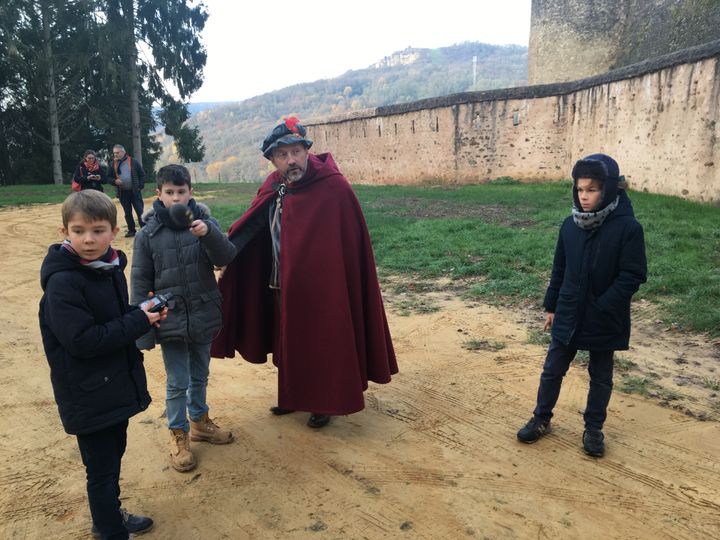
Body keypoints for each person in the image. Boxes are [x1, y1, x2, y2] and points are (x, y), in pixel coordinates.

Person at [211, 117, 398, 429]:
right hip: (281, 282)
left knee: (320, 341)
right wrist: (228, 254)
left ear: (307, 151)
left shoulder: (333, 187)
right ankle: (293, 395)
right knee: (288, 340)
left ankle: (322, 401)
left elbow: (349, 244)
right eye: (282, 155)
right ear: (272, 160)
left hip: (324, 287)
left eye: (296, 151)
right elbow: (253, 224)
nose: (291, 160)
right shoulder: (274, 185)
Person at [39, 190, 167, 539]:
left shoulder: (106, 269)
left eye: (97, 230)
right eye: (78, 231)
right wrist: (138, 322)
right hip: (88, 393)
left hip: (111, 387)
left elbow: (111, 317)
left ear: (113, 230)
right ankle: (110, 530)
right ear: (65, 231)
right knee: (101, 470)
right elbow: (83, 341)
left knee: (114, 457)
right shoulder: (63, 283)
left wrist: (142, 313)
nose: (88, 239)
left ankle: (111, 516)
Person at [516, 153, 647, 457]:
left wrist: (603, 305)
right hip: (568, 311)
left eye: (592, 189)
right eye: (580, 189)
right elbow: (559, 269)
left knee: (600, 376)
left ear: (610, 189)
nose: (584, 196)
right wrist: (551, 306)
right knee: (552, 369)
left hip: (605, 316)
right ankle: (541, 418)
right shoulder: (569, 226)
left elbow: (633, 275)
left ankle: (594, 428)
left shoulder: (628, 228)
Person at [131, 164, 237, 472]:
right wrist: (143, 329)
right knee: (177, 382)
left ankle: (200, 420)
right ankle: (179, 434)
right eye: (169, 192)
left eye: (181, 192)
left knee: (200, 375)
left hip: (203, 312)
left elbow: (225, 258)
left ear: (191, 192)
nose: (176, 198)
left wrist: (210, 235)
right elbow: (139, 284)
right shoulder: (147, 235)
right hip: (170, 319)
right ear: (158, 194)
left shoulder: (203, 223)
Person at [111, 144, 146, 237]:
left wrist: (140, 186)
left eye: (117, 153)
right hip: (123, 193)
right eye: (114, 153)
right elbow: (108, 178)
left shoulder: (133, 161)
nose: (115, 155)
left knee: (140, 211)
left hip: (135, 191)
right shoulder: (112, 164)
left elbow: (142, 174)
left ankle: (144, 230)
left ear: (123, 152)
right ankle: (131, 230)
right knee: (127, 212)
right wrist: (114, 181)